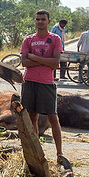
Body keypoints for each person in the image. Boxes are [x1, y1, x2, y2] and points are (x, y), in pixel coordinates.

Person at [20, 10, 63, 160]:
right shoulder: (28, 40)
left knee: (53, 117)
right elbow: (24, 62)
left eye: (43, 19)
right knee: (32, 116)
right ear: (35, 21)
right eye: (37, 19)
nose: (40, 22)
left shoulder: (55, 39)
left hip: (46, 83)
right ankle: (36, 151)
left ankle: (59, 153)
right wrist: (45, 60)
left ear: (49, 21)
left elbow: (56, 63)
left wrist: (34, 57)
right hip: (30, 81)